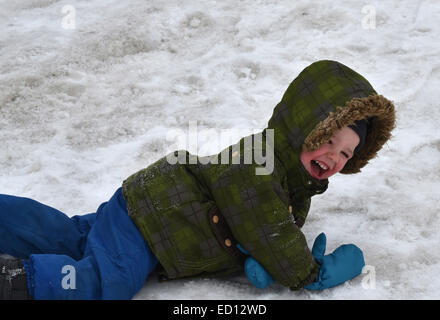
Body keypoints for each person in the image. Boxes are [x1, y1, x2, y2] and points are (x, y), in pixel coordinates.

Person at [0, 60, 395, 299]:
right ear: (301, 128)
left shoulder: (293, 186)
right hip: (155, 223)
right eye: (328, 140)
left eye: (345, 153)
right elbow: (269, 228)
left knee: (71, 239)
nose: (333, 156)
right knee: (107, 281)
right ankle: (17, 282)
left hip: (151, 215)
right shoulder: (258, 163)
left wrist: (259, 262)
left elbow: (261, 233)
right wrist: (308, 272)